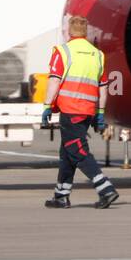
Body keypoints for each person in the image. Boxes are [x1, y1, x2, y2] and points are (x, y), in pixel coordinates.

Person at [42, 15, 119, 209]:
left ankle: (105, 188)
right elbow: (102, 87)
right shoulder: (97, 55)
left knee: (78, 151)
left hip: (70, 110)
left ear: (69, 31)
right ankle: (61, 195)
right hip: (88, 111)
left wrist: (47, 105)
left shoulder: (63, 51)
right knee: (67, 152)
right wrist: (100, 113)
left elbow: (54, 81)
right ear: (85, 32)